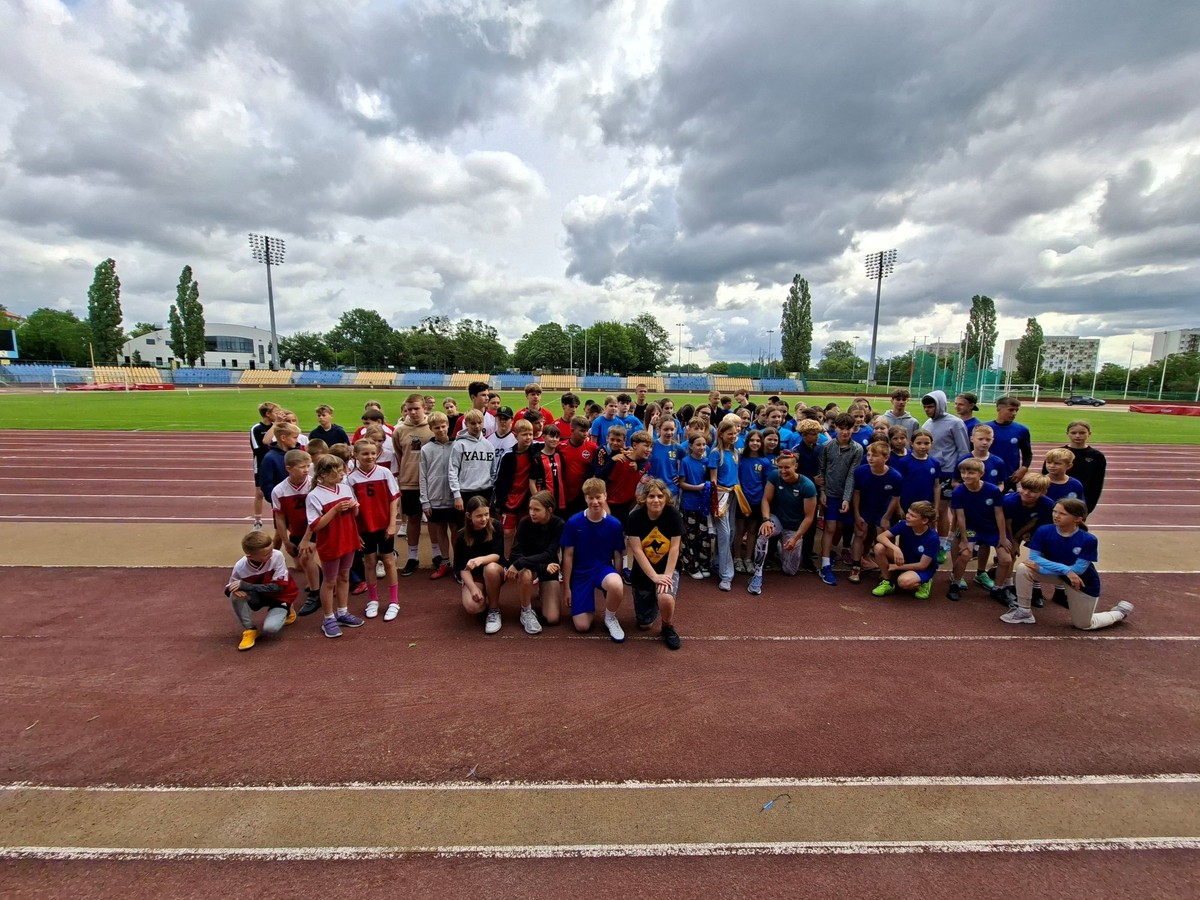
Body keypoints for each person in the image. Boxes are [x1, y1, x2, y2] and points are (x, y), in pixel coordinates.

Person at [1000, 499, 1133, 629]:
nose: (1056, 516)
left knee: (1084, 624)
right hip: (1063, 574)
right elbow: (1034, 558)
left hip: (1079, 581)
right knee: (1024, 568)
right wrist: (1066, 570)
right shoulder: (1044, 531)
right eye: (1054, 511)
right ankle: (1024, 612)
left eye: (1062, 514)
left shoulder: (1088, 540)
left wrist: (1046, 570)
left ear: (1077, 519)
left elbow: (1078, 570)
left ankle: (1119, 613)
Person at [302, 454, 364, 639]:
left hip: (348, 538)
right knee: (329, 581)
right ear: (323, 474)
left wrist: (353, 507)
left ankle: (342, 612)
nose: (342, 475)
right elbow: (316, 525)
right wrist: (335, 510)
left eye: (342, 471)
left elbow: (355, 514)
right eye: (338, 472)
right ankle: (328, 618)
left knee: (344, 576)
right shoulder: (314, 496)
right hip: (330, 542)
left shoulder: (345, 488)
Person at [560, 478, 627, 641]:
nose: (595, 502)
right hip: (581, 573)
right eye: (591, 498)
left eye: (598, 497)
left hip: (603, 569)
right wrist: (567, 588)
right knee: (582, 626)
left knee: (615, 584)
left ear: (605, 496)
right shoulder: (573, 522)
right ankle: (586, 606)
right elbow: (568, 556)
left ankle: (610, 618)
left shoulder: (614, 524)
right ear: (585, 498)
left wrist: (617, 581)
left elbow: (618, 555)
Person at [747, 451, 817, 595]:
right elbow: (766, 499)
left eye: (786, 467)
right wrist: (766, 520)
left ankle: (781, 546)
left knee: (790, 570)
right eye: (780, 467)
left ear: (795, 466)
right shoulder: (775, 476)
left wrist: (796, 538)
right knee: (764, 534)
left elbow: (809, 517)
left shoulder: (808, 486)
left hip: (795, 526)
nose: (783, 471)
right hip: (777, 519)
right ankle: (757, 574)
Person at [625, 478, 683, 649]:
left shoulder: (673, 515)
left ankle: (667, 626)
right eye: (651, 496)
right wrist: (654, 577)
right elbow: (637, 550)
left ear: (666, 498)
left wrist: (666, 576)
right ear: (644, 498)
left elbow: (675, 548)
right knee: (645, 625)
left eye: (660, 496)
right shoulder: (634, 517)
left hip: (666, 568)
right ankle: (652, 603)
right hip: (643, 571)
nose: (656, 500)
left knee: (665, 597)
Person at [346, 439, 400, 620]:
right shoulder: (350, 479)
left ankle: (394, 601)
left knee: (388, 561)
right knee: (369, 562)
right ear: (355, 455)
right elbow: (351, 510)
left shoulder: (384, 473)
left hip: (384, 525)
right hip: (364, 527)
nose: (369, 457)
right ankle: (373, 599)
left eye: (372, 453)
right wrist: (355, 533)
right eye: (365, 453)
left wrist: (392, 524)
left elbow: (393, 499)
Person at [224, 530, 298, 651]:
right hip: (259, 596)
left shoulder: (277, 556)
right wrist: (233, 589)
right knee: (235, 595)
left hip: (280, 596)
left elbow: (278, 587)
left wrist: (246, 586)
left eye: (272, 549)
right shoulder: (240, 566)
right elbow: (229, 586)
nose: (271, 554)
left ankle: (288, 609)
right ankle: (250, 629)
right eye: (266, 554)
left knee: (271, 628)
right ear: (250, 557)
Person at [270, 449, 321, 616]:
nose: (306, 470)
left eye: (308, 466)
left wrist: (307, 536)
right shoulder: (279, 490)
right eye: (301, 467)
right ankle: (319, 577)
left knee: (306, 558)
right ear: (289, 468)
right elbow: (279, 517)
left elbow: (317, 513)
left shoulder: (314, 484)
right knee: (301, 564)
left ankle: (315, 594)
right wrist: (286, 541)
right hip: (298, 529)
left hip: (317, 526)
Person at [920, 390, 970, 564]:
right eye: (925, 407)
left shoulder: (955, 423)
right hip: (930, 471)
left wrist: (959, 475)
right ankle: (930, 542)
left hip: (948, 472)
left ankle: (941, 545)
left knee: (941, 510)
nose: (927, 410)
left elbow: (964, 451)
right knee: (928, 509)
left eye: (931, 406)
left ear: (940, 405)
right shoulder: (927, 423)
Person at [993, 473, 1055, 607]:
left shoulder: (1047, 504)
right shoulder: (1009, 501)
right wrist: (1013, 541)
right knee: (1009, 556)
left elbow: (1034, 522)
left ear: (1043, 492)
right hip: (1002, 528)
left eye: (1032, 491)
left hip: (1022, 529)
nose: (1026, 493)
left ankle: (1008, 583)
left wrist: (1020, 537)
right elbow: (1006, 523)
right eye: (1024, 488)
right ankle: (1002, 587)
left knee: (1014, 555)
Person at [506, 491, 564, 632]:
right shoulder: (524, 522)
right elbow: (515, 553)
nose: (532, 513)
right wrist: (534, 566)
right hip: (535, 567)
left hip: (548, 567)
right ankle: (526, 611)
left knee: (552, 618)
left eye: (537, 509)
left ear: (549, 510)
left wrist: (519, 563)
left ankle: (542, 590)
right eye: (530, 509)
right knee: (525, 574)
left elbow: (549, 554)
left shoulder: (559, 524)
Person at [948, 458, 1005, 602]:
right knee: (965, 554)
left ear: (981, 474)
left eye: (971, 473)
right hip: (971, 528)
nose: (966, 476)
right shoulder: (958, 491)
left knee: (1006, 558)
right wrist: (964, 540)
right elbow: (960, 517)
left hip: (990, 527)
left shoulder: (993, 490)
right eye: (963, 473)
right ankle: (955, 583)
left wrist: (1003, 537)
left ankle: (998, 589)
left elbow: (999, 514)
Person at [818, 413, 864, 586]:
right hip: (830, 493)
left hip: (847, 494)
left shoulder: (857, 449)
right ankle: (825, 565)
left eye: (848, 429)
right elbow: (822, 470)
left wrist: (846, 498)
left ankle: (842, 555)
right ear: (835, 428)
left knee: (844, 526)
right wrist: (822, 491)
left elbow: (852, 474)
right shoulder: (826, 446)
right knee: (830, 527)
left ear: (853, 429)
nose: (845, 432)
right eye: (841, 428)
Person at [391, 394, 434, 577]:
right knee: (414, 519)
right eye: (409, 409)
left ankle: (437, 554)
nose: (413, 412)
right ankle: (413, 557)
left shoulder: (433, 426)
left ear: (424, 407)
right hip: (409, 481)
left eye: (416, 408)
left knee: (434, 520)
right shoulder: (399, 431)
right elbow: (400, 455)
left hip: (432, 481)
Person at [849, 442, 903, 585]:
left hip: (883, 510)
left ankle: (885, 568)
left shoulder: (895, 476)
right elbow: (856, 493)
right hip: (865, 509)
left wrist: (886, 517)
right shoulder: (860, 472)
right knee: (860, 534)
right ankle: (856, 567)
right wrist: (857, 515)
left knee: (884, 536)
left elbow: (895, 498)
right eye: (868, 455)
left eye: (875, 455)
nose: (870, 458)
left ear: (886, 457)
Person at [454, 496, 506, 634]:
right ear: (468, 516)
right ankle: (482, 593)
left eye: (486, 514)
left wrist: (480, 560)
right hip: (475, 575)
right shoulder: (461, 537)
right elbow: (462, 568)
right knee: (473, 607)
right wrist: (472, 589)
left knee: (490, 568)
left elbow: (498, 555)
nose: (484, 519)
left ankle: (494, 610)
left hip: (495, 571)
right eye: (479, 516)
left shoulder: (496, 526)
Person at [870, 501, 938, 599]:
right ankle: (888, 582)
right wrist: (896, 548)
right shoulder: (904, 524)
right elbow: (880, 537)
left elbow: (922, 565)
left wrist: (897, 567)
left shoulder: (932, 538)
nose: (907, 516)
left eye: (912, 515)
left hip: (922, 568)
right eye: (908, 513)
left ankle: (925, 582)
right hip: (905, 559)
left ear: (924, 520)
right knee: (879, 547)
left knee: (903, 582)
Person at [419, 412, 458, 581]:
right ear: (431, 429)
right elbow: (422, 476)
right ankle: (445, 561)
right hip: (435, 496)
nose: (441, 430)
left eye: (443, 426)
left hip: (453, 496)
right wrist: (425, 501)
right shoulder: (426, 449)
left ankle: (458, 563)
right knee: (440, 529)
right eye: (437, 427)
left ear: (448, 426)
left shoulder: (456, 445)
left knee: (456, 529)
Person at [492, 418, 537, 558]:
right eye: (524, 434)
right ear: (515, 435)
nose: (528, 437)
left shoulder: (536, 450)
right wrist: (498, 502)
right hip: (510, 499)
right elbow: (499, 480)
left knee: (527, 532)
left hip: (527, 499)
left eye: (530, 434)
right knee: (507, 532)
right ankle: (506, 560)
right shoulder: (508, 455)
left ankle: (525, 560)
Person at [709, 416, 741, 591]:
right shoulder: (716, 453)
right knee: (725, 533)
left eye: (735, 433)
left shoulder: (735, 453)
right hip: (721, 496)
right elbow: (713, 480)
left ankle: (717, 562)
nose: (733, 436)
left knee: (731, 532)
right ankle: (726, 575)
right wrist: (715, 501)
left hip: (734, 494)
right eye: (730, 434)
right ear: (721, 434)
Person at [1048, 420, 1107, 514]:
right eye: (1073, 433)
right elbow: (1045, 477)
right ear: (1067, 433)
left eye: (1082, 433)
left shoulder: (1097, 456)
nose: (1078, 436)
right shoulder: (1057, 453)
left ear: (1089, 434)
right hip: (1054, 497)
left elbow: (1097, 483)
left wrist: (1088, 508)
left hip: (1080, 499)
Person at [676, 433, 712, 579]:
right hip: (689, 505)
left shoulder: (707, 462)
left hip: (703, 506)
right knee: (690, 537)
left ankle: (704, 564)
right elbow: (682, 483)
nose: (701, 447)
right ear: (690, 446)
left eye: (704, 444)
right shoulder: (686, 461)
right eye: (698, 444)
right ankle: (691, 565)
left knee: (704, 536)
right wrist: (698, 488)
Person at [448, 408, 496, 516]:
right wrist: (457, 495)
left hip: (485, 491)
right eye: (473, 423)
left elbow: (493, 472)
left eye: (479, 422)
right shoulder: (459, 445)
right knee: (465, 524)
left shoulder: (489, 445)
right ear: (466, 424)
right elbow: (452, 470)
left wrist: (493, 492)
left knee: (484, 523)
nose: (477, 426)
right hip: (466, 492)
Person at [734, 429, 768, 574]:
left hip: (757, 500)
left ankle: (748, 558)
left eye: (758, 441)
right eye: (752, 440)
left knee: (752, 530)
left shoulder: (765, 461)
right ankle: (737, 558)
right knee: (740, 529)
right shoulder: (741, 459)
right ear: (747, 442)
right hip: (742, 500)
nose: (755, 443)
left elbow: (766, 483)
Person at [987, 396, 1033, 490]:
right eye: (1011, 410)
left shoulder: (1022, 430)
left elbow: (1027, 453)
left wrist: (1023, 469)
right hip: (986, 474)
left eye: (1016, 410)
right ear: (998, 409)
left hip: (1010, 477)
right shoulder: (985, 428)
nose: (1014, 413)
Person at [558, 416, 600, 516]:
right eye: (582, 431)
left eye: (586, 431)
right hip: (564, 494)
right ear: (572, 430)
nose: (585, 434)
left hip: (583, 494)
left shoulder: (592, 447)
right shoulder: (560, 446)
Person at [249, 401, 280, 530]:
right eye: (276, 412)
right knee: (260, 492)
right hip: (261, 463)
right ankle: (257, 520)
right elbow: (257, 448)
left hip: (276, 463)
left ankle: (278, 517)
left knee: (278, 490)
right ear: (267, 414)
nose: (278, 414)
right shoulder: (256, 428)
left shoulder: (278, 427)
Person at [953, 423, 1009, 492]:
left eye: (988, 439)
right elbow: (954, 482)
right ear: (972, 439)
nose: (984, 442)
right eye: (980, 439)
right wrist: (969, 492)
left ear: (992, 441)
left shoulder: (998, 462)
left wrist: (995, 493)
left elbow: (1000, 483)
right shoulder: (963, 460)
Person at [530, 424, 570, 516]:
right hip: (544, 501)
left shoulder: (559, 455)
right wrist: (537, 500)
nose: (554, 439)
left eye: (557, 437)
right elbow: (532, 482)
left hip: (560, 500)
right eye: (551, 436)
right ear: (543, 437)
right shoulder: (537, 458)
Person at [648, 416, 683, 503]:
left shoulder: (677, 448)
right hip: (653, 489)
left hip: (671, 490)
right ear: (659, 429)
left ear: (675, 429)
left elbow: (687, 462)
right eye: (666, 429)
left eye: (672, 429)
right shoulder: (652, 445)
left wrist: (681, 476)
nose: (669, 432)